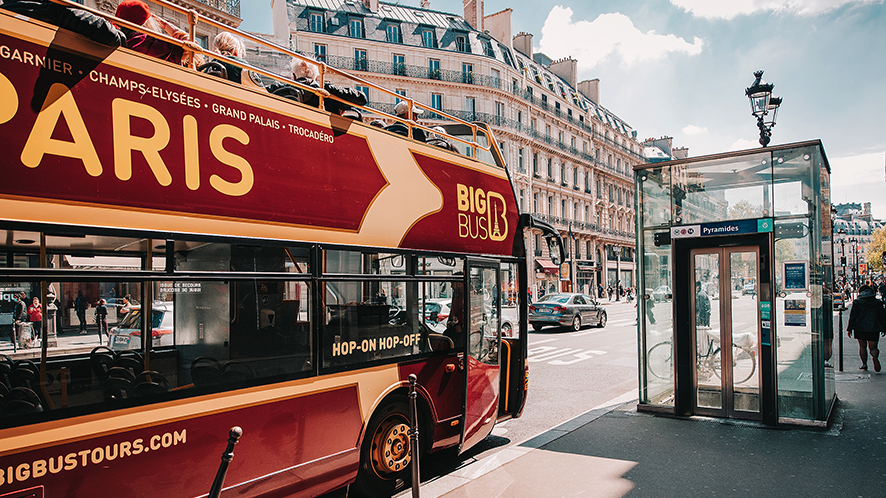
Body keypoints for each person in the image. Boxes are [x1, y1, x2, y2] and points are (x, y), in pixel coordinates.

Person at [270, 58, 366, 118]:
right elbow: (361, 99)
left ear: (294, 76)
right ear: (316, 78)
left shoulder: (282, 89)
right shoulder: (325, 91)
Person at [115, 0, 188, 65]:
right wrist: (165, 24)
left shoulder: (113, 39)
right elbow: (191, 47)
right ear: (147, 22)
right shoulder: (154, 44)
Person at [846, 284, 886, 372]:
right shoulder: (878, 302)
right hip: (874, 327)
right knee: (873, 347)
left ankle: (864, 364)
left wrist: (849, 328)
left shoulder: (857, 302)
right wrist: (884, 328)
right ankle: (875, 357)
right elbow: (882, 316)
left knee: (862, 346)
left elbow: (853, 316)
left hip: (860, 328)